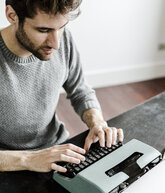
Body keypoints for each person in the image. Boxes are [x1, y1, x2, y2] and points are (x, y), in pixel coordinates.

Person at [0, 0, 124, 173]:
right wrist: (28, 159)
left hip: (58, 150)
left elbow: (80, 90)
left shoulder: (63, 39)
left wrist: (97, 122)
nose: (56, 44)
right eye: (43, 30)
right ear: (12, 16)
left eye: (61, 27)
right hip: (10, 165)